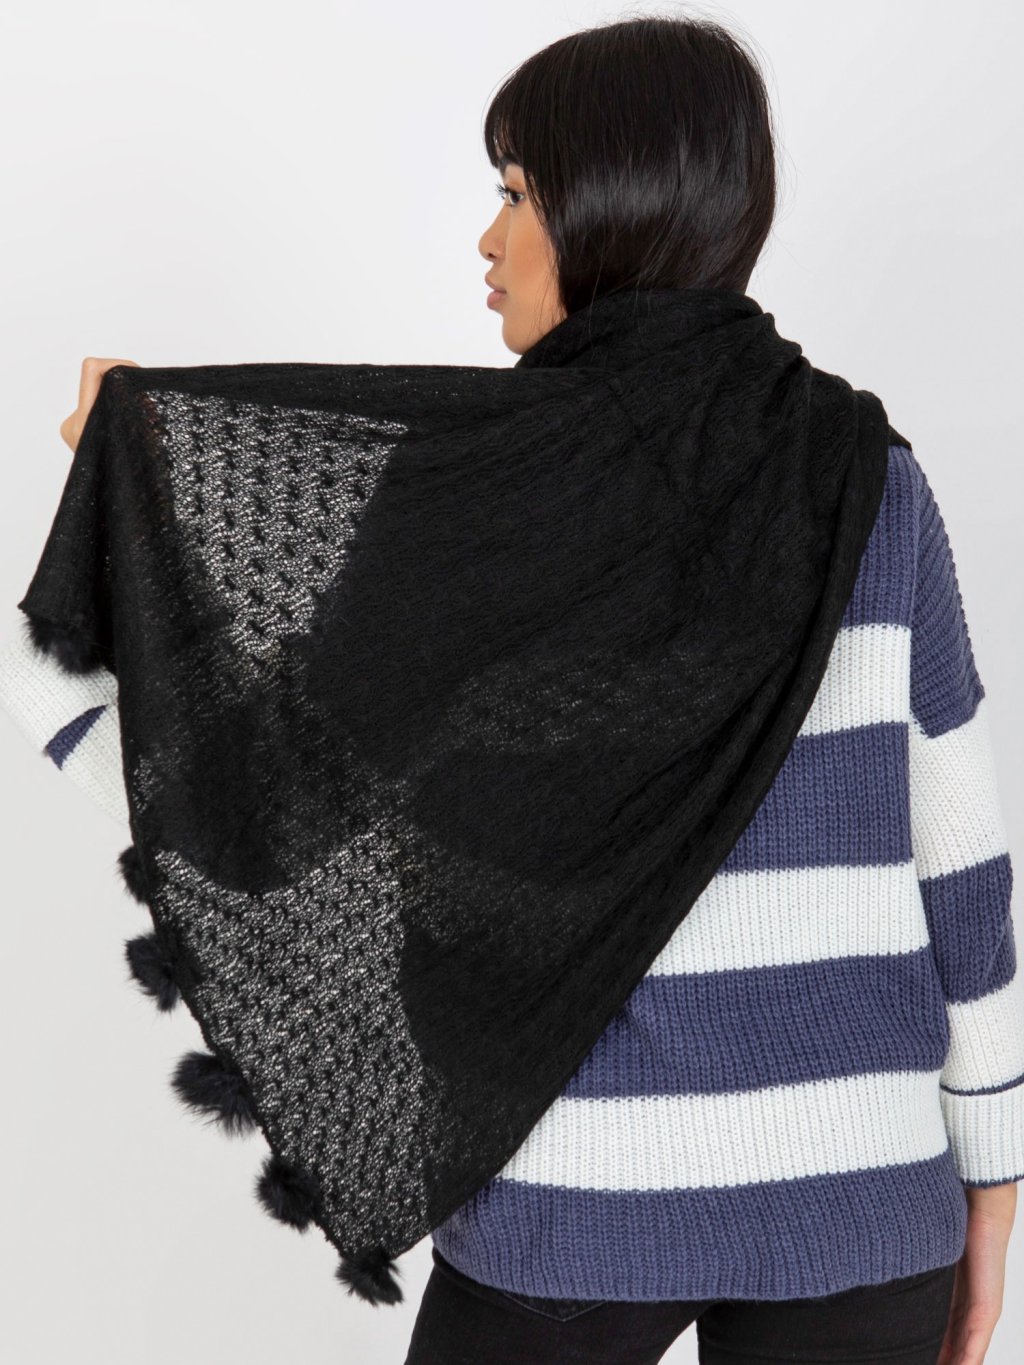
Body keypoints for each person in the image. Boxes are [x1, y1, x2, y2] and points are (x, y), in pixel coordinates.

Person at [3, 13, 1018, 1365]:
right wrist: (993, 1178)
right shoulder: (869, 474)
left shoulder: (469, 504)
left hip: (579, 1201)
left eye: (518, 194)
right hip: (865, 1197)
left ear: (612, 206)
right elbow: (964, 864)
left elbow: (257, 828)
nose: (489, 241)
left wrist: (109, 545)